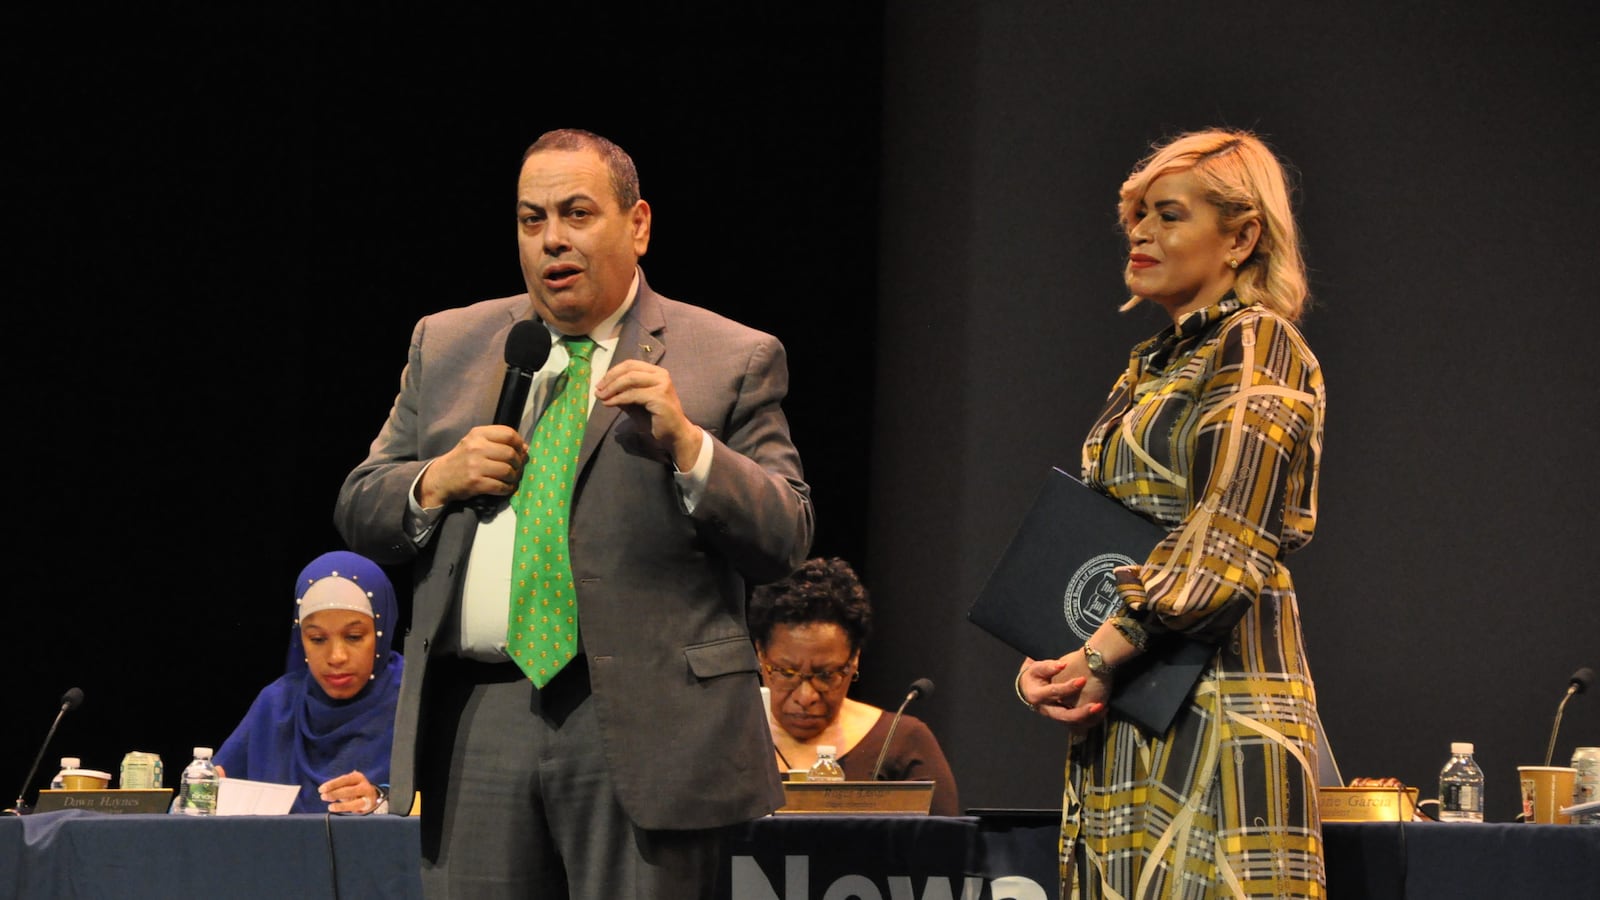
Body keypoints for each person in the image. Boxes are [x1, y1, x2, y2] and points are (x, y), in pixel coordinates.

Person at [334, 128, 813, 898]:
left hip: (646, 726)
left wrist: (690, 446)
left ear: (639, 224)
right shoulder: (450, 343)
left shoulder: (731, 356)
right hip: (478, 719)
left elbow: (787, 533)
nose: (552, 239)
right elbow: (361, 501)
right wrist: (436, 479)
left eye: (577, 213)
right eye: (532, 220)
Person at [1014, 129, 1328, 898]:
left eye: (1169, 215)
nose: (1142, 234)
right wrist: (1056, 652)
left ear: (1242, 236)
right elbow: (1107, 535)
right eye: (1137, 218)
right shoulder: (1155, 364)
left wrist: (1095, 653)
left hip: (1215, 708)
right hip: (1134, 704)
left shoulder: (1258, 344)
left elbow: (1226, 541)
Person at [748, 557, 960, 816]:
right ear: (759, 653)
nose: (806, 696)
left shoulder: (901, 742)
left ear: (854, 659)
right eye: (787, 673)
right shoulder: (723, 743)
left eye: (826, 675)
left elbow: (949, 850)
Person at [214, 550, 401, 815]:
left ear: (381, 632)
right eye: (317, 639)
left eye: (354, 636)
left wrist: (383, 800)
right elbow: (209, 791)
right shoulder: (278, 704)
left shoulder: (412, 701)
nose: (336, 657)